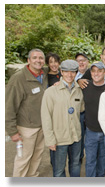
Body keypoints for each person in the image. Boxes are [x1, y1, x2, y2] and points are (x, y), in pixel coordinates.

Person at [5, 48, 48, 177]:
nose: (38, 60)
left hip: (41, 126)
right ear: (28, 60)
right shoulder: (18, 78)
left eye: (41, 58)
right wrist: (12, 131)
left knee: (37, 156)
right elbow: (9, 106)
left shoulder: (44, 74)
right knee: (23, 159)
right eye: (34, 58)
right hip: (26, 128)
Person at [41, 60, 84, 177]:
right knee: (59, 170)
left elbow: (80, 110)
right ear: (61, 72)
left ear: (76, 73)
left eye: (73, 72)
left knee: (75, 165)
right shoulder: (50, 92)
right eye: (66, 72)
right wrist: (50, 140)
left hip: (76, 137)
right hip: (59, 139)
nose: (69, 75)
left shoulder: (79, 91)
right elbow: (46, 117)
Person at [82, 61, 105, 177]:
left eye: (99, 71)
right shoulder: (85, 86)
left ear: (104, 72)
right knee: (90, 161)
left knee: (102, 161)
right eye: (93, 71)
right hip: (90, 131)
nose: (96, 73)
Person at [75, 52, 90, 164]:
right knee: (78, 136)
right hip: (77, 111)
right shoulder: (71, 74)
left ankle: (90, 158)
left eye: (83, 60)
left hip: (90, 111)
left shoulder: (93, 73)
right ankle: (79, 156)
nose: (81, 62)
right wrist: (77, 81)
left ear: (87, 62)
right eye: (78, 60)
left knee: (90, 137)